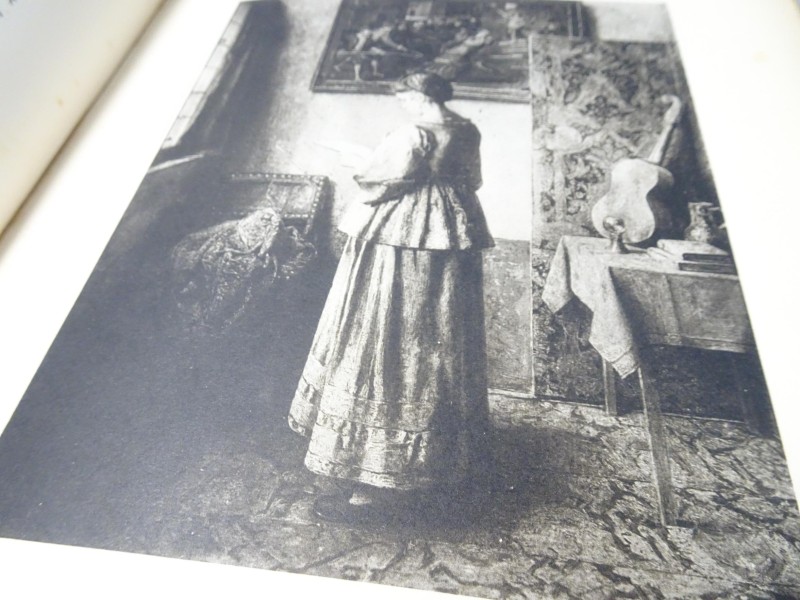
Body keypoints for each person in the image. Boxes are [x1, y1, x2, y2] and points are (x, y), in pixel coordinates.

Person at [288, 72, 494, 521]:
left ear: (420, 96)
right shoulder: (466, 130)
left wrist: (361, 161)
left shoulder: (412, 133)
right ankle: (436, 460)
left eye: (405, 97)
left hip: (399, 234)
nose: (403, 104)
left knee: (384, 324)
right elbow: (472, 180)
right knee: (438, 332)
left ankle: (372, 474)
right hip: (450, 230)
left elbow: (383, 179)